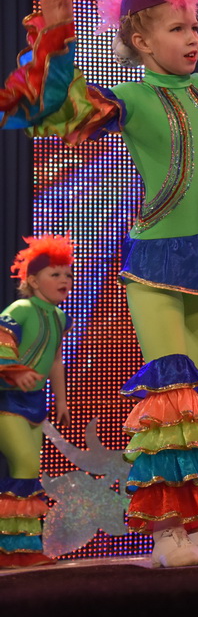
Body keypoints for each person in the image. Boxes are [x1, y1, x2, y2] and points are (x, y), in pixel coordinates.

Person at [0, 0, 198, 563]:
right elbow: (51, 111)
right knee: (171, 397)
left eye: (195, 27)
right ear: (140, 41)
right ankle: (167, 531)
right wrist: (54, 36)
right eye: (176, 28)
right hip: (156, 263)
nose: (192, 38)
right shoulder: (131, 98)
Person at [0, 235, 73, 566]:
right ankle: (11, 549)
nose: (64, 280)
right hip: (7, 400)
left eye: (67, 274)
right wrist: (15, 372)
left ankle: (23, 547)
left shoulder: (60, 317)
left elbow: (55, 360)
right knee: (26, 465)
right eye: (54, 274)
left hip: (33, 403)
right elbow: (2, 340)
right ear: (32, 280)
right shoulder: (21, 309)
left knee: (30, 472)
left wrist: (62, 401)